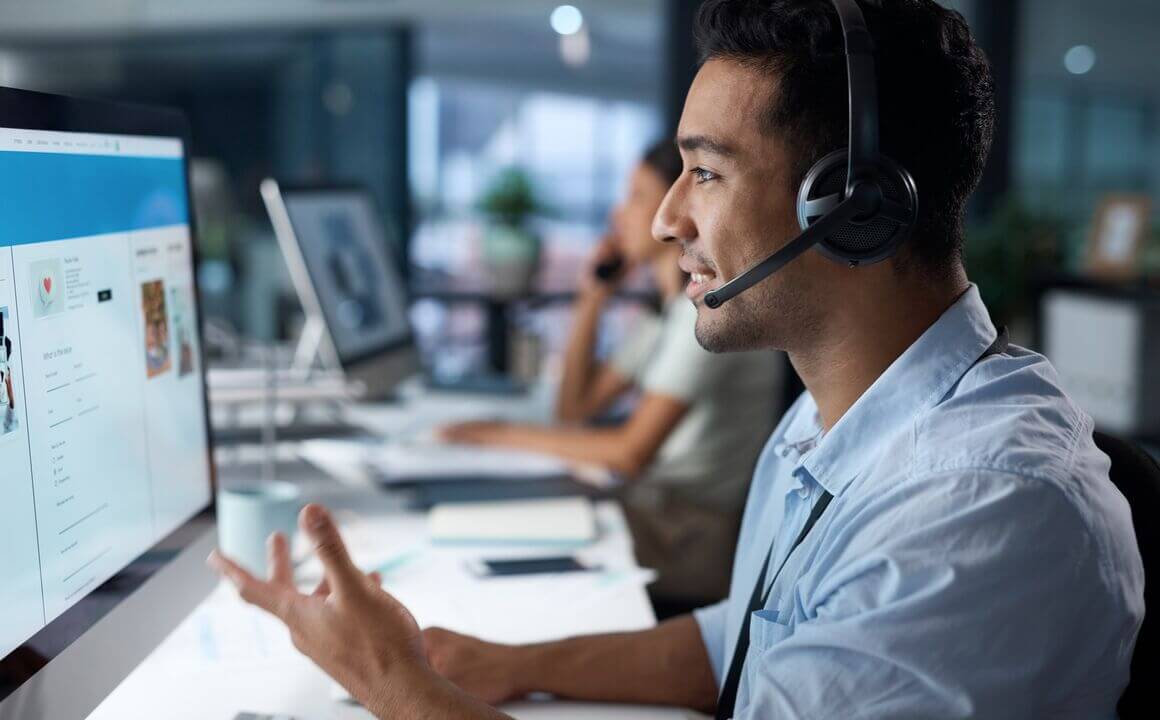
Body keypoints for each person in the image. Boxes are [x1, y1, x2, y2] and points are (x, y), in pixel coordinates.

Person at [209, 1, 1145, 718]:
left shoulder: (981, 508)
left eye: (706, 172)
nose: (665, 221)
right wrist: (507, 663)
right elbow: (745, 638)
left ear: (854, 207)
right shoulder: (838, 419)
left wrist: (399, 691)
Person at [441, 140, 780, 606]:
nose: (621, 215)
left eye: (637, 196)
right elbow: (574, 408)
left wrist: (494, 434)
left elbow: (627, 454)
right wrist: (593, 296)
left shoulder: (705, 318)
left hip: (689, 535)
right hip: (656, 513)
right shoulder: (664, 315)